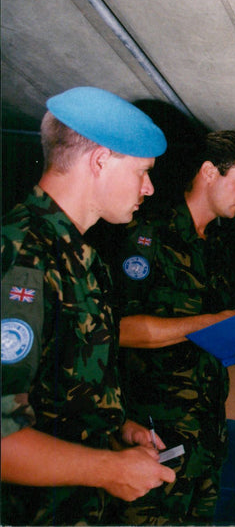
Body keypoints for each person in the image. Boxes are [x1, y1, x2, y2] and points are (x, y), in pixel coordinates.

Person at [1, 86, 177, 525]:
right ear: (100, 161)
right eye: (142, 172)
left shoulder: (85, 260)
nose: (150, 188)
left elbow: (60, 389)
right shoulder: (21, 254)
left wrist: (118, 428)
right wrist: (111, 469)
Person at [112, 130, 235, 524]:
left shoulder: (227, 247)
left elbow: (225, 334)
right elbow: (116, 330)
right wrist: (206, 323)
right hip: (149, 438)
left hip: (206, 442)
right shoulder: (148, 234)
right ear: (210, 172)